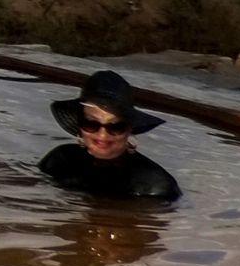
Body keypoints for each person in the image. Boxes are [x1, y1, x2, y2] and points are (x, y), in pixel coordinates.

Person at [39, 71, 180, 201]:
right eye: (91, 123)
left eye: (115, 126)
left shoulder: (157, 186)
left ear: (129, 128)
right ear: (80, 123)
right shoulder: (60, 160)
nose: (102, 135)